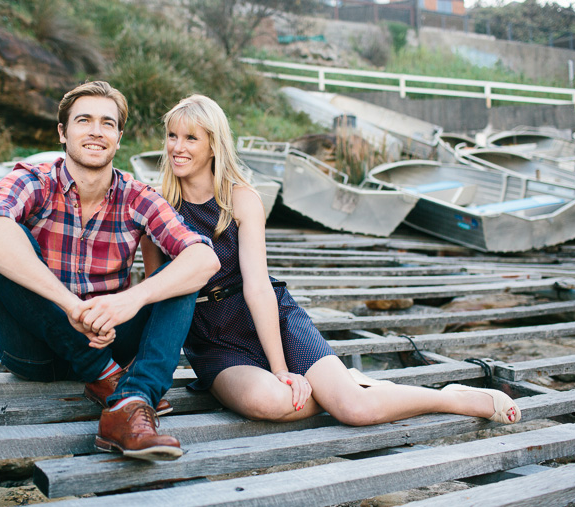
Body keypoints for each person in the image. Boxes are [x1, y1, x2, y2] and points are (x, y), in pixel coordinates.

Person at [142, 94, 521, 428]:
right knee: (269, 401)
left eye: (191, 137)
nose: (178, 147)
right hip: (213, 339)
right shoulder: (156, 206)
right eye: (172, 136)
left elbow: (258, 288)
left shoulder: (240, 199)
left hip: (269, 317)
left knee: (354, 411)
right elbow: (156, 289)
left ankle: (448, 397)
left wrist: (281, 370)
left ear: (213, 145)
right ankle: (345, 384)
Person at [0, 81, 220, 461]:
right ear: (63, 133)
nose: (96, 131)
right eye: (84, 120)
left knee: (182, 272)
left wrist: (130, 300)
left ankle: (132, 400)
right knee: (4, 239)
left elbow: (205, 259)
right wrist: (70, 306)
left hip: (110, 337)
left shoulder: (138, 196)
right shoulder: (35, 180)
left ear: (118, 137)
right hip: (34, 351)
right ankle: (101, 374)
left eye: (107, 123)